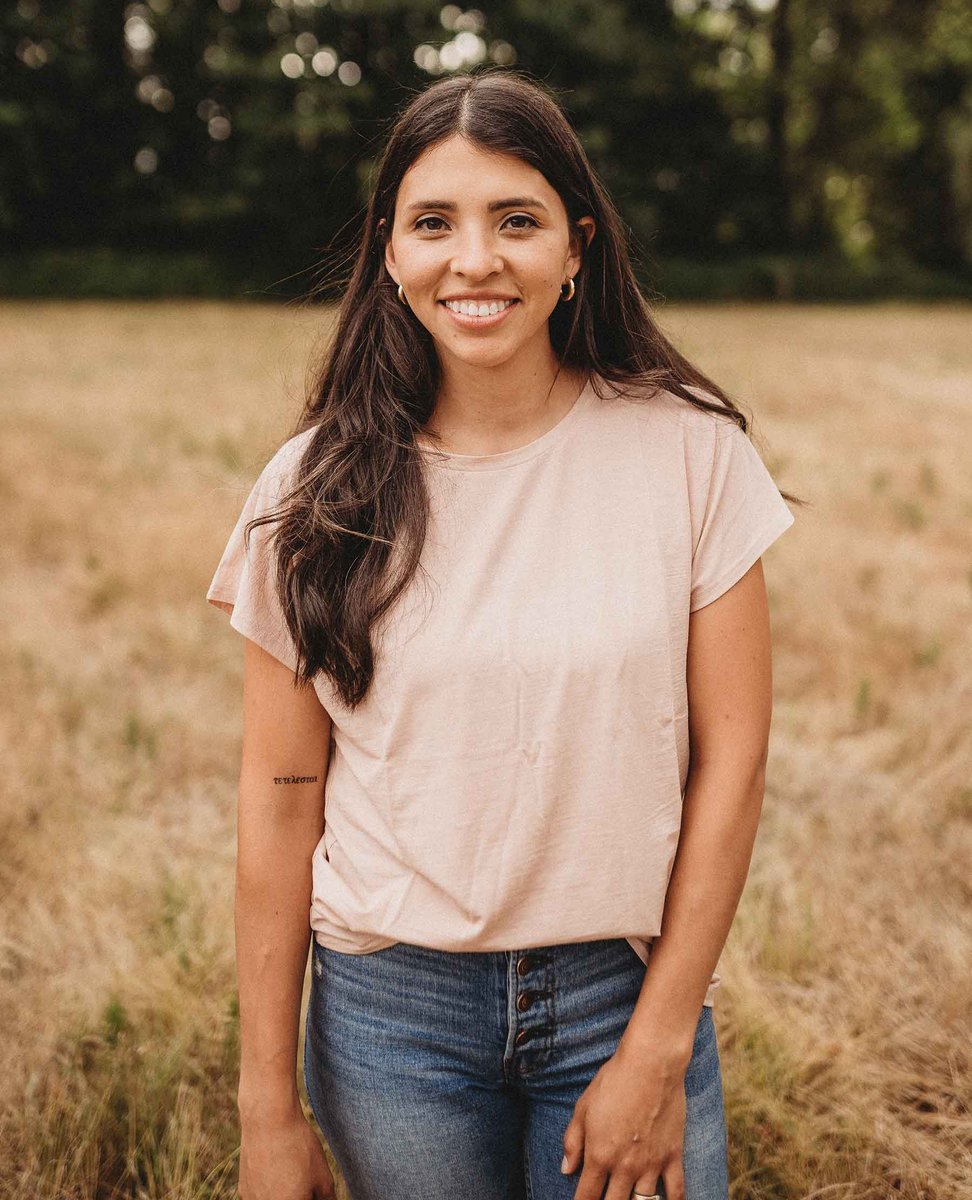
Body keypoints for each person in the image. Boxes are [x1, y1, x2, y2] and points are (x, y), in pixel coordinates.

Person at [205, 67, 799, 1200]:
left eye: (515, 221)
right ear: (389, 251)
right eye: (435, 223)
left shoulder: (692, 455)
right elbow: (279, 799)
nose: (474, 260)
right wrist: (266, 1113)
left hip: (619, 994)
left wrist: (659, 1044)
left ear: (577, 248)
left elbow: (735, 761)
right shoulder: (312, 490)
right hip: (391, 1017)